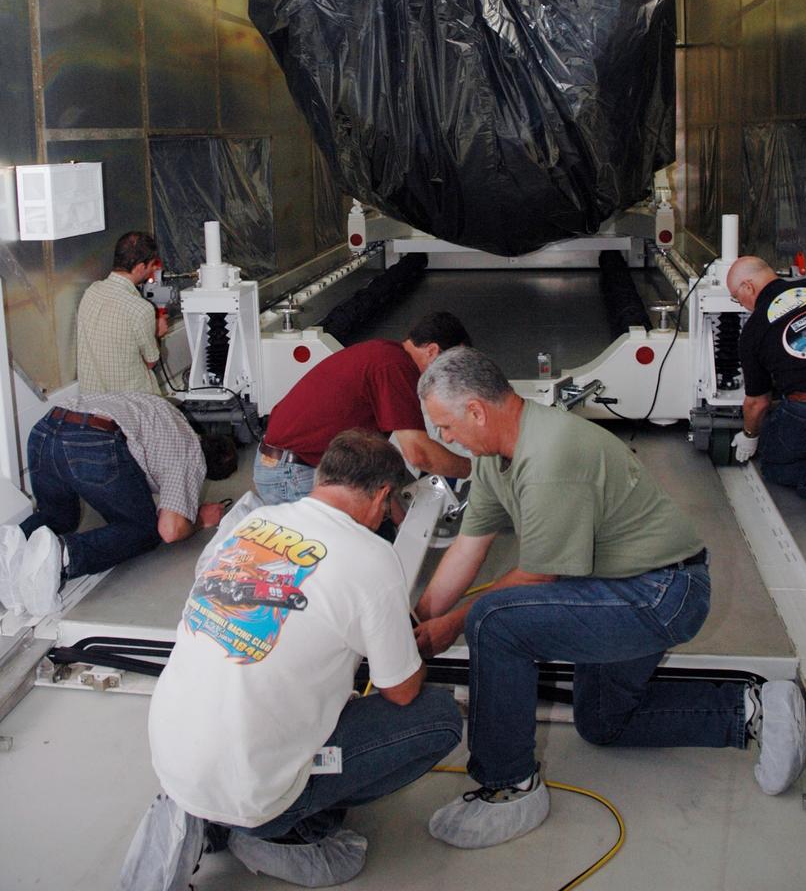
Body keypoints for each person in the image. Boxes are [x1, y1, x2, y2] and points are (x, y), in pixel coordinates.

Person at [412, 347, 806, 850]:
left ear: (476, 410)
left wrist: (448, 628)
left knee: (493, 620)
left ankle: (508, 784)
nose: (444, 439)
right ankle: (751, 709)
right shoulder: (495, 458)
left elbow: (538, 577)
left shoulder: (550, 454)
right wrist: (417, 619)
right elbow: (469, 547)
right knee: (601, 722)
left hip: (662, 593)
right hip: (617, 588)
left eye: (445, 426)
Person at [131, 429, 462, 888]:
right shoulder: (373, 557)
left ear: (322, 479)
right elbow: (402, 692)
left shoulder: (254, 523)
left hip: (173, 759)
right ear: (383, 495)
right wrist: (413, 651)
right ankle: (287, 828)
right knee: (439, 717)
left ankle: (226, 816)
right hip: (252, 793)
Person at [0, 394, 229, 618]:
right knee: (144, 529)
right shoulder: (191, 452)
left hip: (45, 430)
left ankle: (12, 543)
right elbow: (170, 530)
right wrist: (200, 519)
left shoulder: (164, 412)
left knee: (60, 516)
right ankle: (61, 555)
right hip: (91, 440)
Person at [254, 311, 473, 504]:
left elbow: (375, 456)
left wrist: (397, 513)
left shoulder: (385, 355)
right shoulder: (395, 368)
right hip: (293, 473)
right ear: (433, 351)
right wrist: (476, 471)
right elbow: (419, 453)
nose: (449, 376)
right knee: (336, 547)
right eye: (451, 365)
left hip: (285, 464)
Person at [726, 256, 806, 525]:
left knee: (774, 463)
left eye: (737, 298)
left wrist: (750, 435)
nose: (742, 305)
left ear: (748, 287)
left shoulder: (753, 329)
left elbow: (758, 403)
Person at [76, 231, 167, 395]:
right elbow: (151, 361)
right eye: (152, 264)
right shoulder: (140, 309)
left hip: (94, 401)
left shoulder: (91, 292)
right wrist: (158, 331)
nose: (154, 269)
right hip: (131, 404)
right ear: (140, 267)